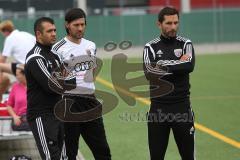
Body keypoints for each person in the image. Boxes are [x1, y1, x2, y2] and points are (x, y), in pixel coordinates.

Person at [52, 8, 111, 160]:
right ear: (67, 25)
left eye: (82, 24)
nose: (80, 28)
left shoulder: (91, 45)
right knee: (70, 152)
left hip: (90, 101)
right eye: (76, 25)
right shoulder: (58, 49)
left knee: (102, 150)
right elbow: (53, 79)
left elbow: (92, 70)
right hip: (69, 104)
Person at [143, 7, 196, 160]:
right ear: (159, 24)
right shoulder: (150, 47)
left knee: (188, 156)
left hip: (182, 108)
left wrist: (160, 64)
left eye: (176, 23)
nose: (173, 27)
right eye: (168, 23)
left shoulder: (185, 43)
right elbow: (149, 73)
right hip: (158, 109)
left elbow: (189, 66)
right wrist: (178, 64)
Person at [25, 17, 74, 160]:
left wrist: (61, 81)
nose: (54, 33)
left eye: (54, 30)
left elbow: (72, 83)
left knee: (64, 156)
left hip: (58, 113)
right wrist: (62, 81)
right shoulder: (35, 57)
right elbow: (51, 87)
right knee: (51, 157)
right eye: (49, 31)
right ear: (38, 34)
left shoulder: (55, 56)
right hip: (42, 116)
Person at [6, 64, 30, 131]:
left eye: (17, 74)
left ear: (24, 74)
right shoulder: (15, 87)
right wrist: (14, 116)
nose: (16, 76)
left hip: (33, 120)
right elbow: (9, 105)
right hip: (20, 121)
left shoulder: (34, 87)